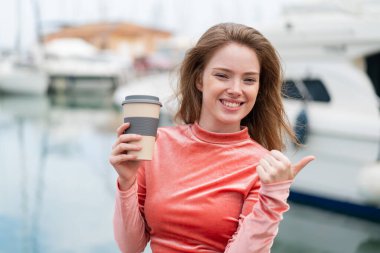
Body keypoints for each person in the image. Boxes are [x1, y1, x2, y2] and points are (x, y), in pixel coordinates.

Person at [110, 22, 315, 253]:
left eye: (248, 80)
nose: (236, 89)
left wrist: (273, 198)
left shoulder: (262, 167)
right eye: (222, 76)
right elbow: (130, 247)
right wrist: (126, 183)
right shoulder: (157, 144)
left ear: (259, 88)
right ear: (199, 80)